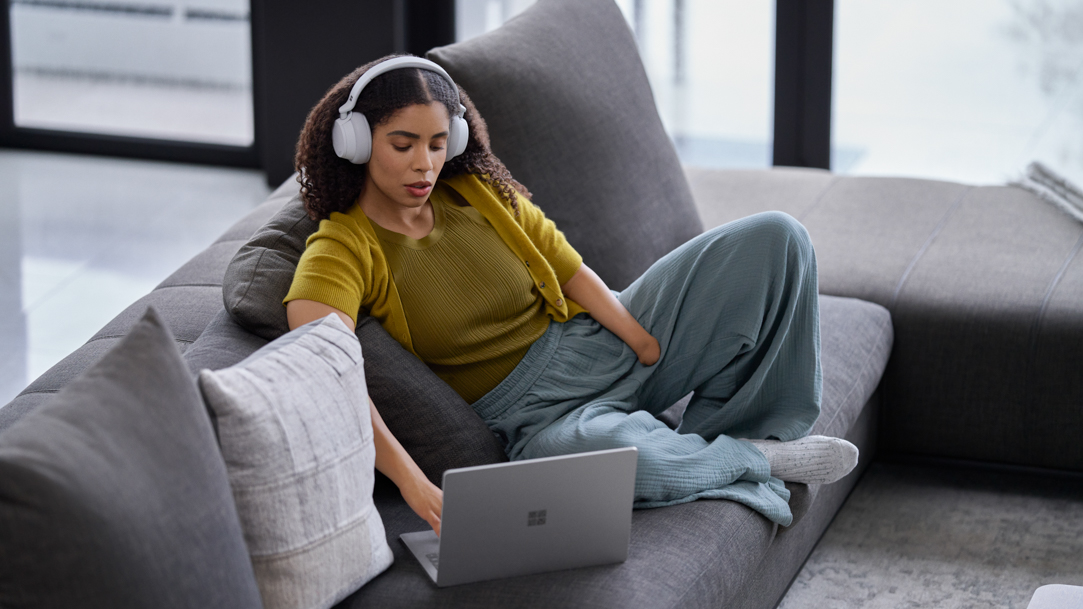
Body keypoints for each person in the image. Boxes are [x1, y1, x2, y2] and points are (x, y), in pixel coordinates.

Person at [283, 54, 858, 536]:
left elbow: (567, 267)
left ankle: (751, 424)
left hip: (595, 343)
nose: (425, 164)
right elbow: (331, 374)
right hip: (533, 419)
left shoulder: (477, 192)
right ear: (355, 142)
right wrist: (413, 482)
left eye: (437, 144)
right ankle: (757, 456)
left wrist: (640, 339)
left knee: (778, 238)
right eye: (402, 144)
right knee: (622, 464)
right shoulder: (342, 248)